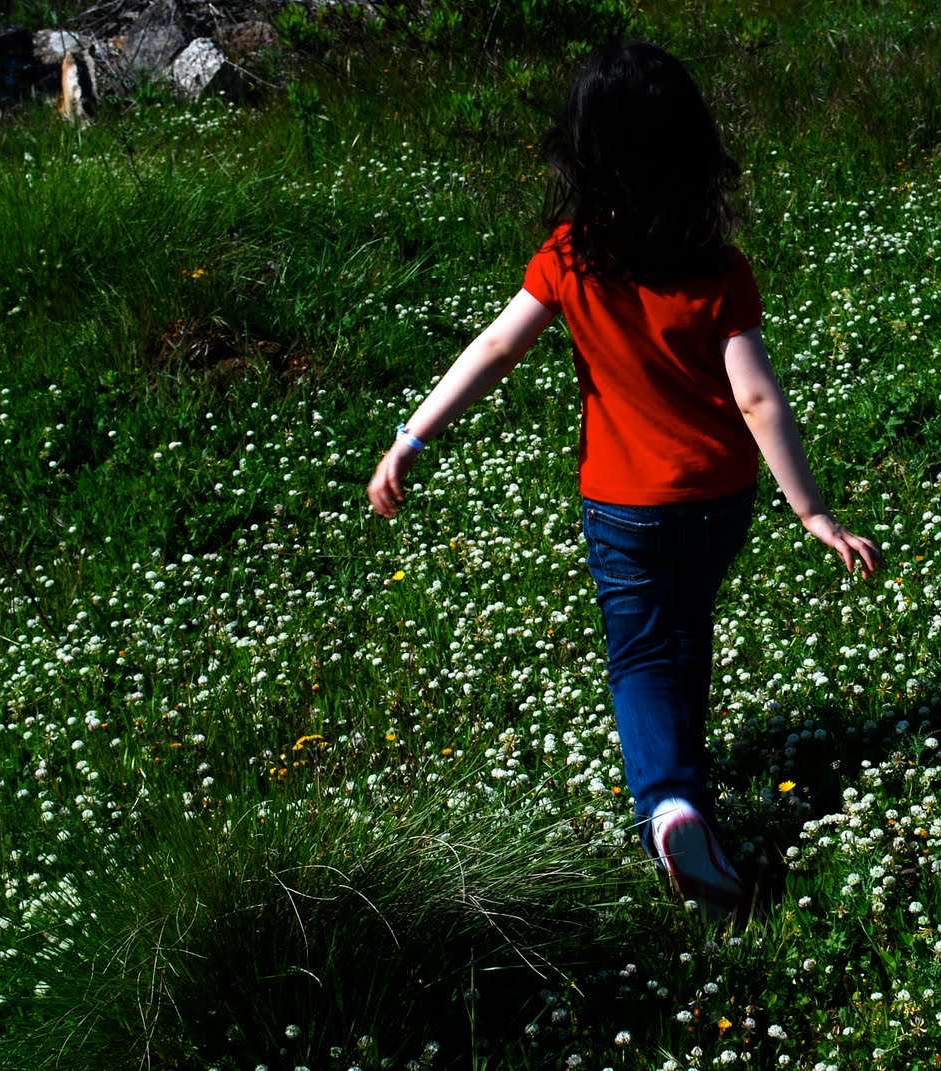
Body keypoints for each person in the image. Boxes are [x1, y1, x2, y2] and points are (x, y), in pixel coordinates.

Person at [367, 41, 883, 917]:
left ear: (583, 153)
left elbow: (496, 347)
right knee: (685, 631)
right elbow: (756, 398)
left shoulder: (570, 256)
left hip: (623, 503)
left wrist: (414, 435)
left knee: (641, 651)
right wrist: (813, 511)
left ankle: (671, 805)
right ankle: (687, 787)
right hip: (718, 499)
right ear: (691, 147)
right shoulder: (718, 269)